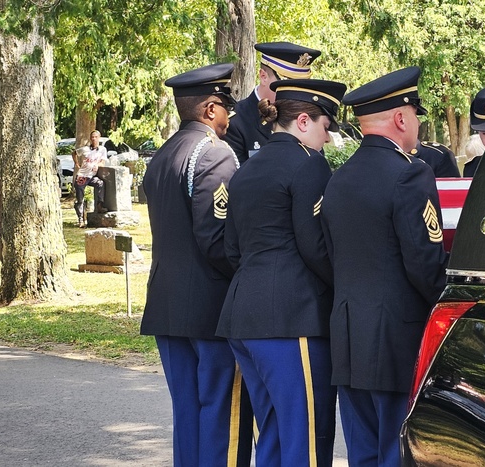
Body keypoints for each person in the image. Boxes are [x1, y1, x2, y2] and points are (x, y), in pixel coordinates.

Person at [321, 66, 448, 467]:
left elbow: (331, 255)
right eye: (415, 117)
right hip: (396, 339)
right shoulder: (411, 174)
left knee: (363, 453)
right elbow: (425, 264)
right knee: (397, 453)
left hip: (348, 338)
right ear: (400, 118)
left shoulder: (337, 180)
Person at [217, 78, 346, 467]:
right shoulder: (308, 165)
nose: (327, 138)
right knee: (306, 436)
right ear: (304, 121)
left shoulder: (247, 169)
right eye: (326, 127)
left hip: (243, 317)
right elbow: (316, 247)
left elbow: (232, 249)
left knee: (272, 433)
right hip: (292, 320)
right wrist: (343, 287)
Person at [139, 63, 252, 467]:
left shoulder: (164, 154)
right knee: (222, 412)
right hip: (210, 309)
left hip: (168, 304)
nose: (227, 119)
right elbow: (216, 239)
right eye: (225, 109)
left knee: (187, 411)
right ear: (209, 110)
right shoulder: (215, 153)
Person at [224, 42, 321, 165]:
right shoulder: (237, 122)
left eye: (302, 86)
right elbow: (238, 178)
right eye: (288, 85)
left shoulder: (307, 118)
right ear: (263, 76)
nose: (296, 93)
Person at [72, 130, 108, 227]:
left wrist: (97, 165)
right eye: (92, 137)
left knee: (100, 183)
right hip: (82, 176)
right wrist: (76, 164)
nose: (94, 139)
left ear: (99, 138)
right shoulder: (85, 149)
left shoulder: (102, 150)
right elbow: (74, 153)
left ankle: (99, 206)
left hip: (91, 177)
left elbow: (102, 162)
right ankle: (81, 220)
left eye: (96, 137)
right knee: (80, 199)